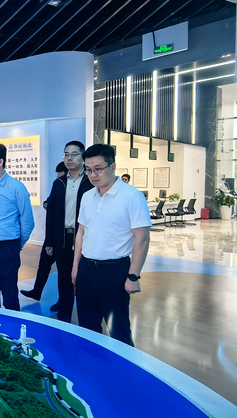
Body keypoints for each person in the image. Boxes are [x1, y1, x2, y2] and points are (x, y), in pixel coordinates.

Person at [72, 144, 151, 346]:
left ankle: (126, 366)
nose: (93, 175)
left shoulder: (132, 196)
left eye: (98, 169)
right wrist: (76, 267)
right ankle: (91, 362)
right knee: (87, 327)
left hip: (114, 272)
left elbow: (142, 238)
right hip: (86, 269)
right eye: (88, 170)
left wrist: (133, 276)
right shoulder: (87, 196)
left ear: (113, 166)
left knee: (118, 331)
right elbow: (81, 232)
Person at [37, 142, 93, 323]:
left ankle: (87, 323)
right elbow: (51, 214)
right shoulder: (59, 183)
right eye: (66, 154)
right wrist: (49, 241)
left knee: (84, 281)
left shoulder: (91, 182)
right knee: (64, 280)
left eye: (74, 154)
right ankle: (64, 319)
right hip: (62, 239)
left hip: (86, 240)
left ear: (83, 157)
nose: (69, 158)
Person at [0, 142, 34, 311]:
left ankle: (12, 328)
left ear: (0, 161)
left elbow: (27, 221)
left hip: (7, 248)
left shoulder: (17, 188)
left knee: (10, 299)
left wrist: (17, 245)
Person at [20, 162, 67, 306]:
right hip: (53, 235)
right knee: (43, 265)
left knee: (64, 273)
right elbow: (50, 203)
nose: (59, 179)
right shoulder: (58, 184)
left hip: (66, 238)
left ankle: (62, 301)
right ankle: (37, 291)